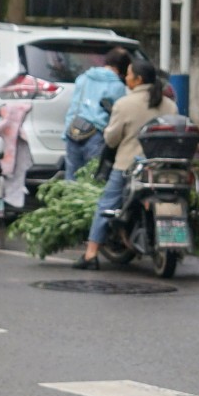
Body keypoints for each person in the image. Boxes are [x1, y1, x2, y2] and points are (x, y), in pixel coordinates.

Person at [73, 61, 177, 269]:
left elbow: (111, 140)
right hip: (163, 167)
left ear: (138, 80)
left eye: (128, 75)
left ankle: (91, 254)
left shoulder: (124, 104)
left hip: (128, 166)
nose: (125, 78)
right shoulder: (170, 105)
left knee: (106, 204)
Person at [62, 47, 130, 179]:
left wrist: (66, 131)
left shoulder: (83, 78)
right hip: (97, 134)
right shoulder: (118, 86)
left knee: (71, 177)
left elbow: (74, 106)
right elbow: (118, 115)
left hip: (74, 130)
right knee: (93, 177)